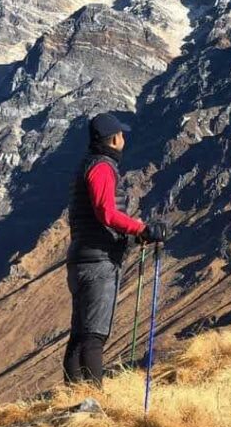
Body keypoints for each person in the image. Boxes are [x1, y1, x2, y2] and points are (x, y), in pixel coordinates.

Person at [63, 112, 166, 386]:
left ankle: (74, 399)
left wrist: (132, 236)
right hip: (98, 263)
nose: (124, 139)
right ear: (114, 139)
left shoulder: (87, 165)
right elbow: (106, 213)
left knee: (81, 334)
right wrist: (140, 229)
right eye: (122, 135)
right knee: (94, 336)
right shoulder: (102, 167)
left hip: (82, 259)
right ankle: (93, 400)